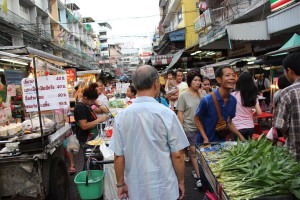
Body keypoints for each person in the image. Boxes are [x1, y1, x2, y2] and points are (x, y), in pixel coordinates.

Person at [112, 65, 189, 200]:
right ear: (156, 83)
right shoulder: (167, 114)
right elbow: (178, 155)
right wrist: (181, 181)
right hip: (165, 188)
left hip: (136, 188)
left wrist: (120, 184)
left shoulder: (121, 116)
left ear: (135, 85)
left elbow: (118, 156)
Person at [195, 66, 246, 144]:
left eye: (233, 75)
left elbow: (229, 122)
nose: (232, 78)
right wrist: (205, 138)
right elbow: (197, 119)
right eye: (227, 75)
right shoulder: (206, 100)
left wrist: (241, 137)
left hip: (221, 143)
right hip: (205, 143)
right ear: (219, 79)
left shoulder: (233, 100)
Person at [177, 70, 203, 188]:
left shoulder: (202, 94)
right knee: (193, 152)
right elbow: (180, 113)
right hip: (189, 127)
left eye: (199, 80)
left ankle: (203, 173)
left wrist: (201, 93)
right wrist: (181, 129)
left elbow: (205, 107)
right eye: (195, 80)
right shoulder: (183, 95)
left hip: (202, 128)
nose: (197, 83)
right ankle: (199, 177)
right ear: (190, 82)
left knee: (202, 152)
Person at [274, 52, 300, 161]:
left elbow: (280, 125)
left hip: (295, 153)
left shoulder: (287, 92)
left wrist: (286, 135)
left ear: (289, 71)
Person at [231, 72, 262, 140]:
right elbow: (259, 112)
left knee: (237, 149)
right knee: (247, 148)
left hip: (237, 127)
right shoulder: (253, 96)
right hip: (249, 126)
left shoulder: (233, 95)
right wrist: (254, 114)